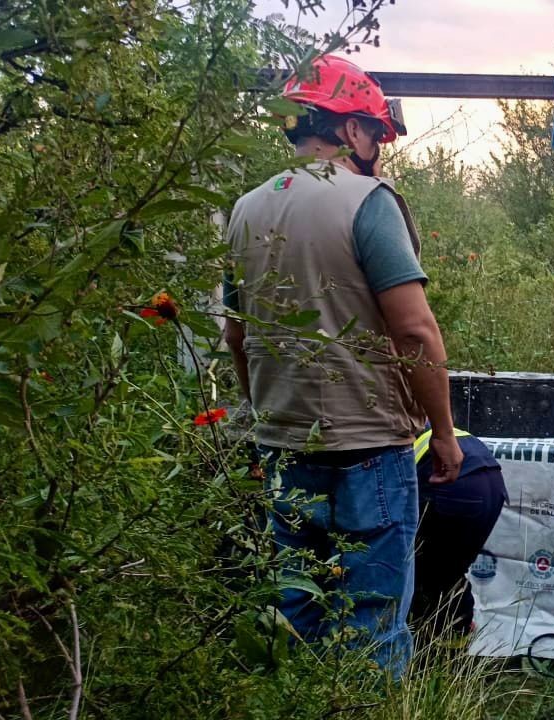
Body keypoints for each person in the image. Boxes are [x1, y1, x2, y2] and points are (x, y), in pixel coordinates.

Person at [223, 54, 462, 677]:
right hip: (369, 447)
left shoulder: (245, 210)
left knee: (295, 609)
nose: (379, 147)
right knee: (374, 625)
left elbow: (236, 333)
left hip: (284, 443)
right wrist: (442, 431)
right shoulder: (367, 200)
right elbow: (414, 330)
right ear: (350, 130)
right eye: (376, 133)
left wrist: (262, 416)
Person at [410, 424, 506, 635]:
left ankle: (427, 647)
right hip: (492, 482)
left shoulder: (395, 436)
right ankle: (454, 645)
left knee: (420, 573)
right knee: (448, 573)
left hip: (454, 484)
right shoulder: (433, 426)